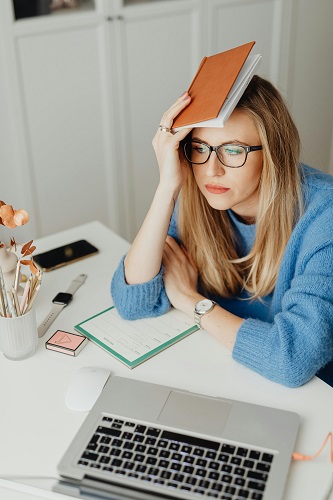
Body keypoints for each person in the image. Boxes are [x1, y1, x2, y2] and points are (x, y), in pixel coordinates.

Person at [111, 75, 333, 388]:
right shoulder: (197, 193)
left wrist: (190, 299)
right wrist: (167, 188)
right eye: (200, 147)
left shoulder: (325, 214)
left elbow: (290, 360)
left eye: (233, 151)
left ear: (272, 154)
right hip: (223, 369)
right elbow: (133, 302)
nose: (212, 170)